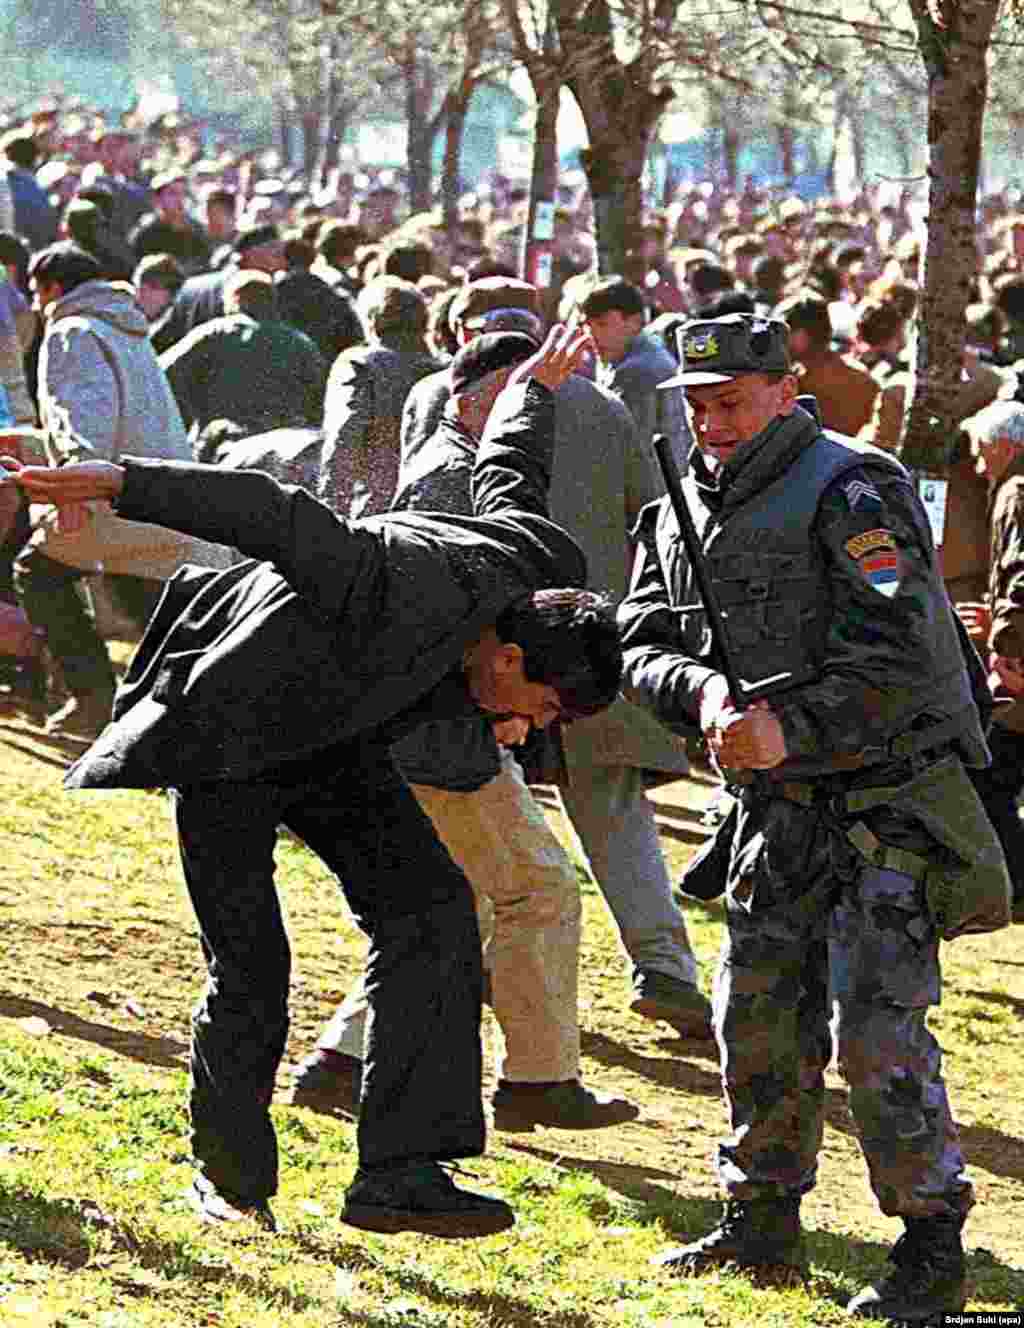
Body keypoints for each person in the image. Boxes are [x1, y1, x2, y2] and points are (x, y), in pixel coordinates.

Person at [5, 321, 619, 1238]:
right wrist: (121, 482)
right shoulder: (397, 580)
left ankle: (402, 1176)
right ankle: (231, 1176)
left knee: (432, 911)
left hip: (339, 734)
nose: (525, 728)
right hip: (231, 730)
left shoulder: (537, 569)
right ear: (506, 648)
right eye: (533, 702)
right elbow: (269, 512)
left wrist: (533, 389)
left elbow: (510, 470)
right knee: (254, 962)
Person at [619, 312, 1011, 1322]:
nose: (709, 420)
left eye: (730, 400)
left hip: (882, 805)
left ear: (785, 392)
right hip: (769, 816)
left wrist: (789, 726)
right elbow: (639, 638)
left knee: (877, 1034)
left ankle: (929, 1245)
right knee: (754, 1017)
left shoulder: (851, 485)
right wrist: (702, 697)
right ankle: (760, 1218)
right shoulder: (677, 503)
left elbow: (899, 654)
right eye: (695, 404)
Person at [293, 332, 639, 1131]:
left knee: (470, 898)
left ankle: (342, 1062)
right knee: (536, 889)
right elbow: (450, 618)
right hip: (429, 733)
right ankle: (536, 1080)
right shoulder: (454, 477)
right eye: (509, 392)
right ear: (469, 399)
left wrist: (535, 397)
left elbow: (510, 475)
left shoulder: (456, 463)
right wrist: (504, 703)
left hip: (415, 725)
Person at [400, 277, 712, 1038]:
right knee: (613, 808)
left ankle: (457, 970)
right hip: (587, 641)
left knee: (479, 811)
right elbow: (651, 510)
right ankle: (665, 966)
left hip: (493, 653)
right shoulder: (601, 405)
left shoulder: (449, 404)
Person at [15, 242, 229, 739]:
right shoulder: (128, 329)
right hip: (163, 491)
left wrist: (71, 491)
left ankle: (91, 700)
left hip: (108, 490)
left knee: (38, 570)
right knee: (141, 596)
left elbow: (81, 419)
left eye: (36, 294)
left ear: (52, 288)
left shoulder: (71, 330)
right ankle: (178, 717)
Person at [957, 401, 1024, 921]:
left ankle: (1014, 884)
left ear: (1006, 446)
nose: (979, 465)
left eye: (982, 451)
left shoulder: (1016, 491)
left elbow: (1020, 577)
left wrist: (1006, 645)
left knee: (991, 774)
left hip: (1017, 669)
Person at [318, 276, 441, 519]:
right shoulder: (445, 370)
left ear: (371, 321)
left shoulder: (359, 364)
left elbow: (344, 435)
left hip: (376, 510)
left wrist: (328, 510)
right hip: (434, 513)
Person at [160, 269, 327, 439]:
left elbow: (162, 371)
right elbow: (320, 393)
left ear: (235, 298)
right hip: (281, 441)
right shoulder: (301, 342)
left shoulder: (216, 331)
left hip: (221, 440)